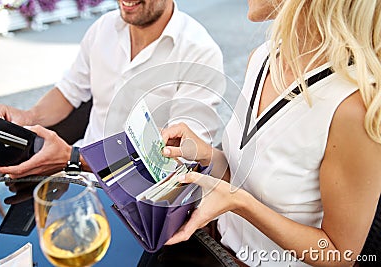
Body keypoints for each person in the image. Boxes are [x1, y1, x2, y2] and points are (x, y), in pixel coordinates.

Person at [161, 0, 381, 266]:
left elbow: (338, 255)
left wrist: (240, 204)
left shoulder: (353, 106)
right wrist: (207, 154)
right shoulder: (263, 57)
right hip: (215, 249)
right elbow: (247, 177)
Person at [0, 0, 224, 178]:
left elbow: (181, 155)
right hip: (80, 172)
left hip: (143, 193)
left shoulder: (199, 53)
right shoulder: (103, 28)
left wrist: (74, 158)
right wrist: (28, 116)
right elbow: (68, 91)